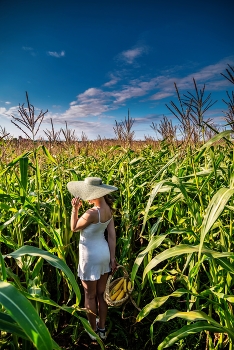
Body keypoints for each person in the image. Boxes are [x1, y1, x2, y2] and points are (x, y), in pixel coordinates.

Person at [67, 177, 118, 340]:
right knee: (102, 295)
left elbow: (73, 228)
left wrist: (74, 209)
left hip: (90, 256)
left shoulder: (91, 213)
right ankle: (102, 328)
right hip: (103, 254)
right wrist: (112, 258)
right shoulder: (108, 209)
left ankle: (92, 331)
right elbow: (111, 237)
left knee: (89, 295)